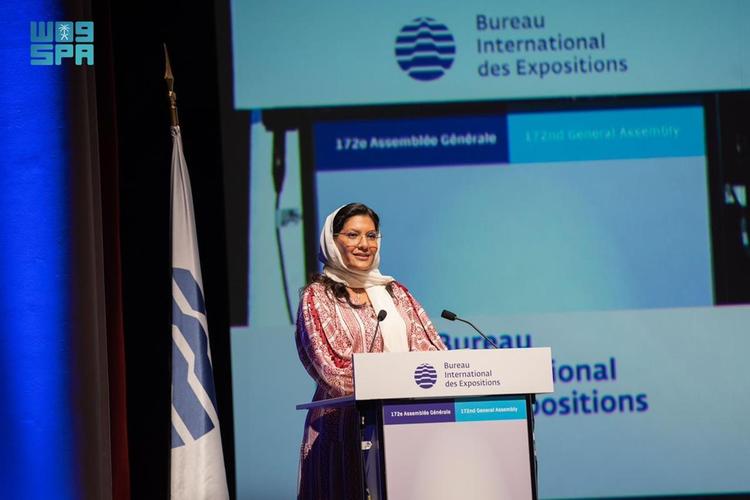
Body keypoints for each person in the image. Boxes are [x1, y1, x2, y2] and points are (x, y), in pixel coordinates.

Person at [295, 203, 446, 499]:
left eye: (372, 235)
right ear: (332, 241)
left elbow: (431, 352)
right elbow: (333, 370)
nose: (364, 244)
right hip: (342, 432)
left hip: (407, 425)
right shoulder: (318, 297)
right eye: (353, 235)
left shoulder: (396, 293)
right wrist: (397, 382)